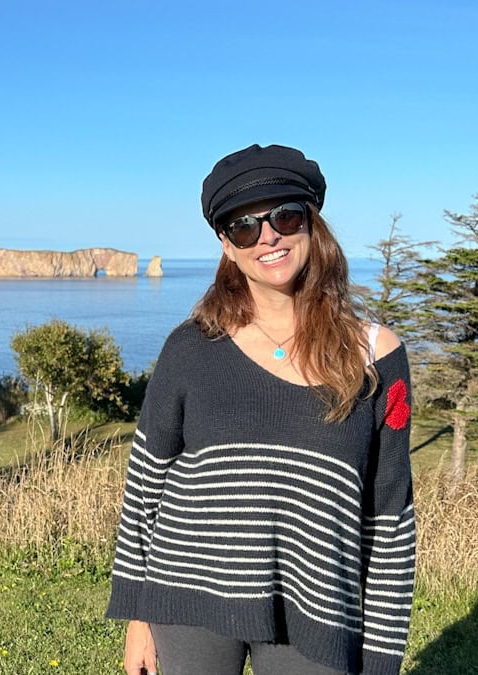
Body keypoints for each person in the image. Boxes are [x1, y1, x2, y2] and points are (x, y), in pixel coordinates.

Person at [106, 144, 416, 675]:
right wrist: (138, 616)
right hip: (186, 598)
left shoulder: (375, 355)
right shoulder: (191, 346)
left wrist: (382, 657)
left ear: (311, 225)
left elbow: (389, 517)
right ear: (227, 246)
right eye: (243, 227)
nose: (267, 235)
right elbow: (145, 484)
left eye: (284, 216)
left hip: (318, 608)